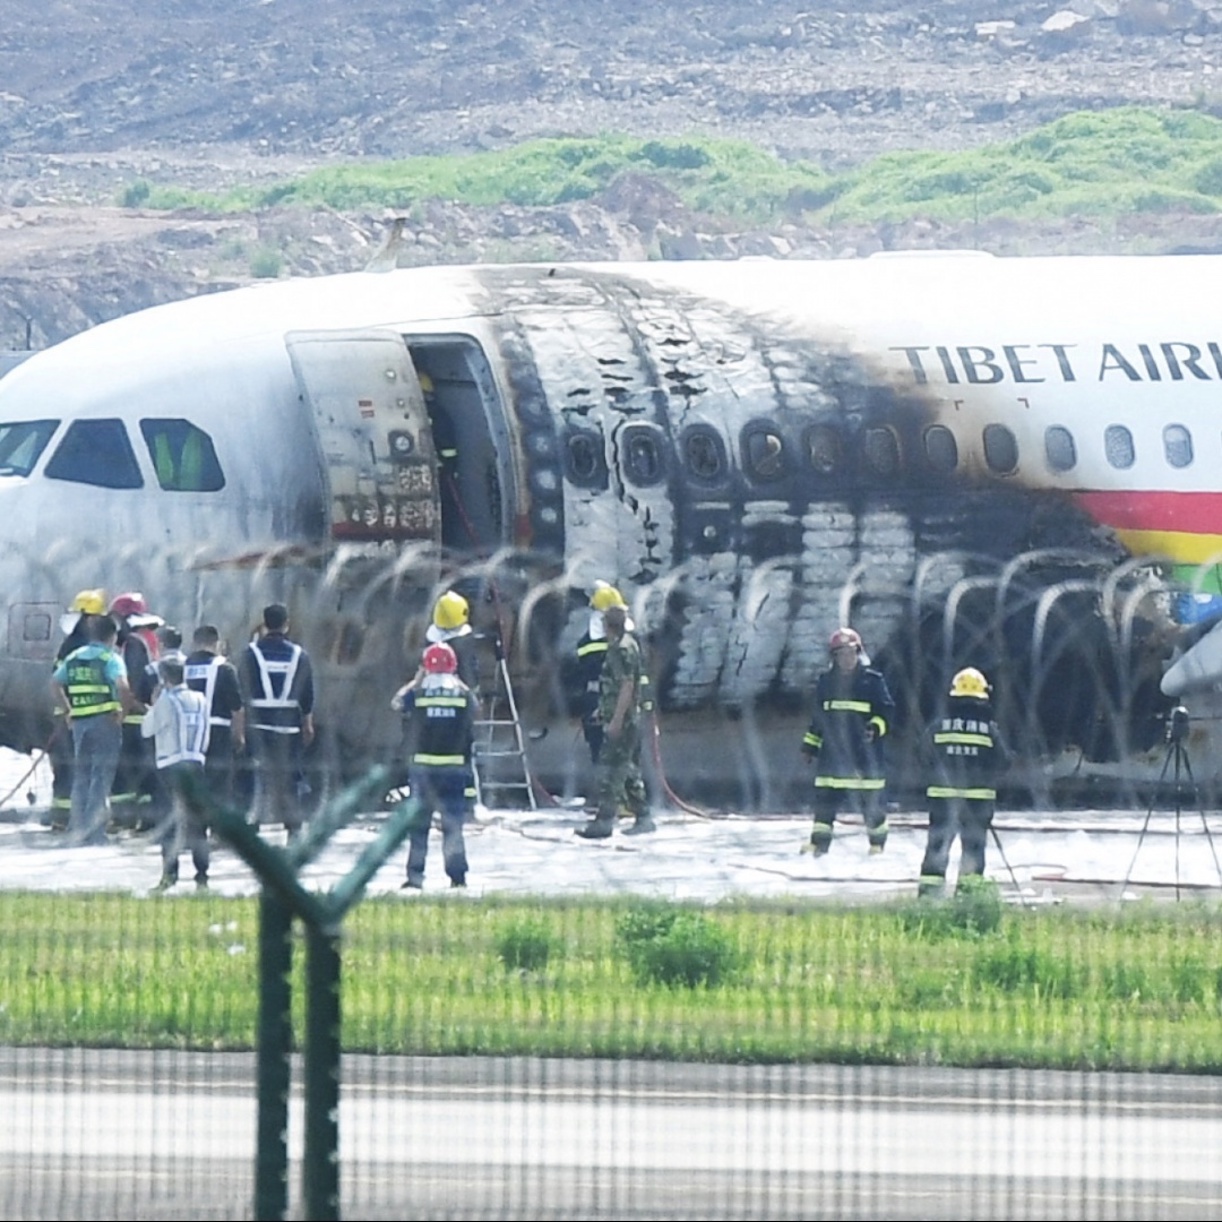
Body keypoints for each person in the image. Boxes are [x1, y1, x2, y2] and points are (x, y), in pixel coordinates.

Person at [800, 626, 895, 856]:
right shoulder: (826, 682)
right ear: (834, 657)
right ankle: (819, 845)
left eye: (851, 653)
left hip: (864, 756)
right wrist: (810, 746)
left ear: (858, 653)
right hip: (832, 756)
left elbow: (887, 712)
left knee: (871, 804)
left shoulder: (872, 681)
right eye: (841, 654)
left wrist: (875, 727)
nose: (846, 658)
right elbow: (818, 719)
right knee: (824, 805)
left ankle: (877, 845)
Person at [918, 666, 1010, 898]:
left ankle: (929, 897)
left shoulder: (938, 727)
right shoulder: (989, 731)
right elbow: (1004, 762)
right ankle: (968, 899)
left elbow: (923, 755)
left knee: (937, 848)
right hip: (977, 804)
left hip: (942, 800)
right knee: (973, 851)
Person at [392, 641, 474, 889]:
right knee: (453, 827)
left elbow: (396, 703)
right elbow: (474, 711)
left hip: (423, 771)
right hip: (454, 770)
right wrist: (460, 682)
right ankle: (457, 878)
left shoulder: (418, 695)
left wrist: (417, 680)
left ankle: (415, 878)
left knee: (418, 827)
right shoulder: (462, 695)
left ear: (426, 667)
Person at [51, 614, 130, 845]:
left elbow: (55, 683)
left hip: (79, 723)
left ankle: (77, 830)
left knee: (81, 777)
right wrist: (122, 714)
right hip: (105, 722)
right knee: (101, 777)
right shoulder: (110, 658)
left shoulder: (74, 657)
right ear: (112, 636)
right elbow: (123, 687)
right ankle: (95, 833)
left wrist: (68, 711)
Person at [576, 603, 654, 838]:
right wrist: (604, 710)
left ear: (607, 625)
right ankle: (643, 816)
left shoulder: (621, 649)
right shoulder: (626, 645)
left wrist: (617, 719)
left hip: (624, 720)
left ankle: (604, 821)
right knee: (626, 768)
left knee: (610, 769)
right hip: (622, 716)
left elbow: (627, 685)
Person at [240, 602, 315, 838]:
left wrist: (240, 728)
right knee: (290, 777)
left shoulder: (250, 654)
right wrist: (307, 723)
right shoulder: (299, 655)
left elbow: (242, 689)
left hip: (258, 726)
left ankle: (252, 825)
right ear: (286, 625)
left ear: (264, 624)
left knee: (256, 776)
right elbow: (307, 694)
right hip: (289, 727)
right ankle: (293, 827)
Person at [141, 656, 211, 890]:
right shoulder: (201, 699)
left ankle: (169, 875)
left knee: (169, 821)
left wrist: (153, 703)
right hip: (197, 763)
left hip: (170, 767)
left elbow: (146, 730)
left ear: (164, 678)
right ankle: (202, 876)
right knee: (198, 822)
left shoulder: (166, 701)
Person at [48, 588, 108, 831]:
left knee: (65, 767)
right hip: (82, 714)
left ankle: (61, 818)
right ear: (92, 618)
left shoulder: (68, 644)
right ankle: (79, 817)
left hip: (66, 714)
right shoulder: (86, 647)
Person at [108, 591, 164, 829]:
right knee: (144, 771)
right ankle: (148, 820)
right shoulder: (147, 639)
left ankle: (124, 818)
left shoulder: (131, 644)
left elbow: (130, 681)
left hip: (133, 716)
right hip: (145, 714)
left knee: (123, 771)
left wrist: (122, 712)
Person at [184, 625, 246, 812]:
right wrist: (239, 735)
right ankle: (219, 831)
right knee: (219, 783)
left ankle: (196, 831)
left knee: (194, 782)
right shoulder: (225, 669)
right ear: (216, 643)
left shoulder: (183, 667)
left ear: (194, 643)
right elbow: (237, 707)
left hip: (189, 732)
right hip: (217, 730)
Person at [424, 590, 480, 693]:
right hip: (457, 692)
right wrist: (474, 692)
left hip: (430, 689)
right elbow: (467, 670)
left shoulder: (430, 637)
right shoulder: (463, 642)